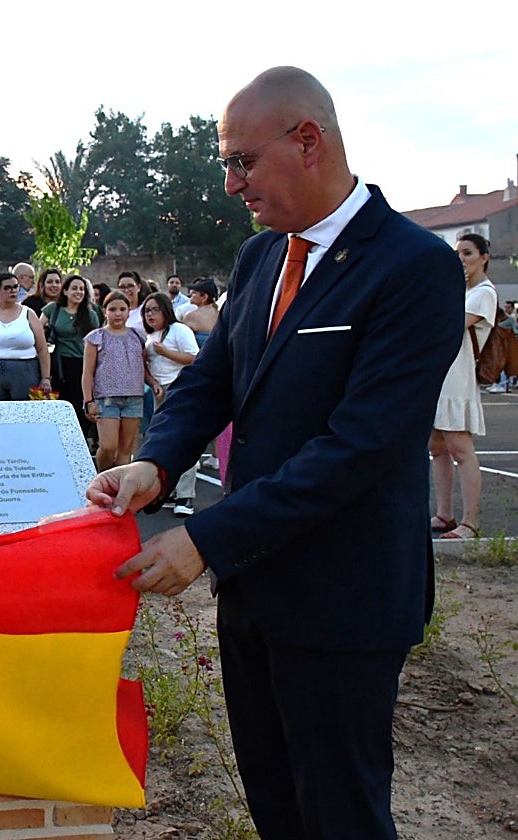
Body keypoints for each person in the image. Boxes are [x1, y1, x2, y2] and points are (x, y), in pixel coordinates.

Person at [85, 67, 463, 840]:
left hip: (344, 597)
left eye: (242, 161)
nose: (230, 184)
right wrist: (156, 464)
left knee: (340, 813)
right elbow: (215, 382)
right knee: (276, 806)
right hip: (257, 589)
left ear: (309, 141)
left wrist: (207, 538)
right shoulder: (262, 260)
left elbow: (360, 447)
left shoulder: (413, 267)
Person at [428, 233, 497, 540]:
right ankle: (445, 514)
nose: (461, 259)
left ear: (483, 257)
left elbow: (448, 323)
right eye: (458, 253)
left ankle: (470, 522)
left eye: (467, 253)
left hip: (458, 377)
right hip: (439, 373)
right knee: (436, 447)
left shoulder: (483, 293)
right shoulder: (463, 290)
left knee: (460, 447)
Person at [142, 291, 199, 514]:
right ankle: (171, 491)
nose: (150, 315)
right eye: (147, 311)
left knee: (184, 439)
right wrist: (153, 382)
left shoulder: (179, 330)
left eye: (155, 309)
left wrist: (167, 352)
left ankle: (186, 496)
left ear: (166, 310)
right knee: (164, 442)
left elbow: (195, 357)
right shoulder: (151, 337)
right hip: (159, 392)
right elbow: (147, 367)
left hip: (180, 387)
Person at [83, 291, 151, 471]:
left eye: (122, 309)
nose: (118, 313)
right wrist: (88, 400)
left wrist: (153, 383)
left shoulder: (138, 336)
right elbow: (87, 373)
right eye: (112, 309)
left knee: (126, 448)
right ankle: (102, 476)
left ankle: (118, 486)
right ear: (105, 311)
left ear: (129, 311)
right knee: (108, 446)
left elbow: (143, 365)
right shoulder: (96, 337)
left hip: (134, 397)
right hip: (106, 397)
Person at [0, 272, 51, 400]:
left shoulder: (29, 314)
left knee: (24, 415)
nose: (12, 291)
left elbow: (42, 349)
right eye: (7, 288)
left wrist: (45, 378)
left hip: (25, 372)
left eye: (15, 287)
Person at [41, 274, 99, 437]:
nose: (78, 292)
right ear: (65, 291)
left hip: (82, 364)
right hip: (58, 364)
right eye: (74, 288)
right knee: (59, 403)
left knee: (79, 404)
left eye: (82, 289)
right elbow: (37, 330)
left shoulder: (90, 315)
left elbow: (97, 342)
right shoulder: (53, 309)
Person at [181, 278, 220, 344]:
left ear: (204, 297)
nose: (190, 294)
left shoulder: (191, 316)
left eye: (194, 292)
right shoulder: (221, 314)